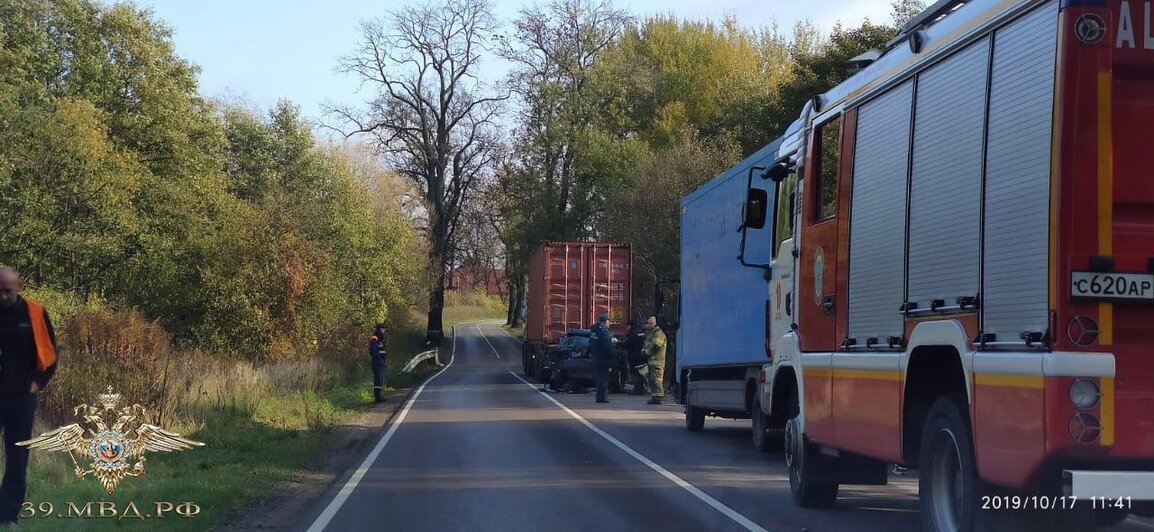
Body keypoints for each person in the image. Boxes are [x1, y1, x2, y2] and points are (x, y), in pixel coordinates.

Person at [0, 267, 57, 525]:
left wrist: (37, 384)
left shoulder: (34, 313)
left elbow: (51, 353)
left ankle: (8, 516)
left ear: (19, 286)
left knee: (17, 458)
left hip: (22, 398)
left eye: (7, 291)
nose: (2, 296)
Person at [589, 313, 614, 404]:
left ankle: (600, 396)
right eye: (608, 321)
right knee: (603, 378)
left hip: (595, 357)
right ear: (605, 321)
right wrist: (612, 357)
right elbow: (608, 346)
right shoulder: (604, 332)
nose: (609, 323)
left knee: (599, 377)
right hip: (604, 358)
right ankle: (602, 397)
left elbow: (590, 343)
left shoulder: (593, 330)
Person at [642, 316, 667, 405]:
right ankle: (655, 397)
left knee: (657, 380)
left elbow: (656, 345)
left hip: (657, 361)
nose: (648, 325)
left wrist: (647, 352)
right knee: (652, 380)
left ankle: (659, 398)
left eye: (649, 323)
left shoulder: (658, 333)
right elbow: (647, 344)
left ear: (653, 323)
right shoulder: (651, 333)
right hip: (652, 361)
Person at [624, 318, 647, 395]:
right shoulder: (641, 332)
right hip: (642, 356)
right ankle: (641, 389)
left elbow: (627, 344)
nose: (627, 328)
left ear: (630, 325)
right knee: (641, 373)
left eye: (627, 326)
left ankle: (637, 390)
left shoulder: (632, 333)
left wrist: (618, 344)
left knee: (636, 373)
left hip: (634, 356)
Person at [369, 329, 387, 403]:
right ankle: (377, 397)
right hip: (377, 362)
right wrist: (379, 357)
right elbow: (373, 350)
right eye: (382, 329)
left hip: (381, 362)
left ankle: (379, 396)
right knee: (378, 379)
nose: (384, 331)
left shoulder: (380, 339)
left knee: (380, 379)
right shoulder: (375, 338)